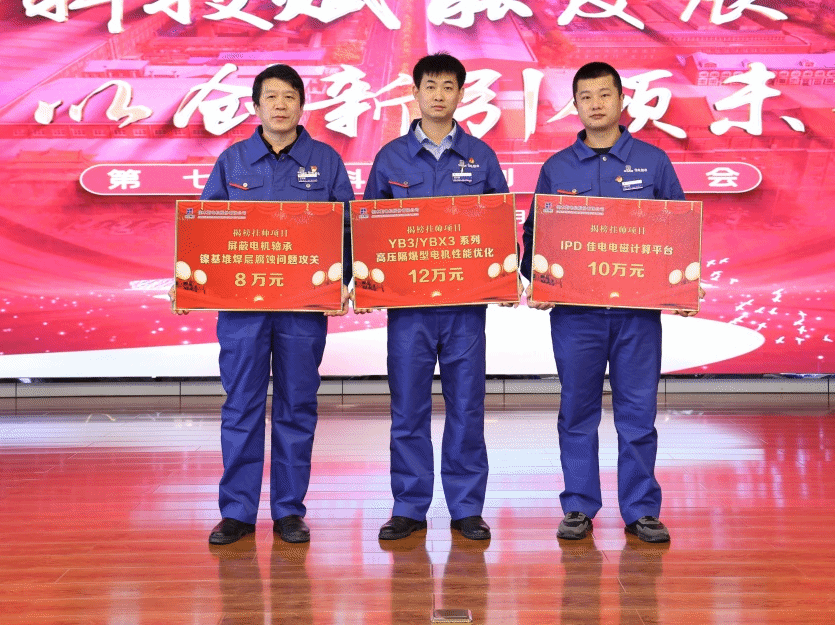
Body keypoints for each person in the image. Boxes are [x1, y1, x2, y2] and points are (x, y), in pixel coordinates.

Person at [177, 63, 354, 546]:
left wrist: (344, 281)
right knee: (242, 406)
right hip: (243, 312)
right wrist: (187, 282)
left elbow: (348, 230)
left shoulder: (326, 161)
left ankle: (289, 511)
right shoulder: (232, 161)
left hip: (303, 309)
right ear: (256, 106)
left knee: (298, 407)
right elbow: (204, 229)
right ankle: (236, 512)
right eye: (271, 97)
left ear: (302, 106)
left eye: (289, 96)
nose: (280, 105)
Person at [521, 61, 695, 544]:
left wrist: (684, 283)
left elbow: (679, 229)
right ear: (574, 106)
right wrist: (539, 281)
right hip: (577, 317)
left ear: (621, 100)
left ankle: (641, 510)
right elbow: (534, 235)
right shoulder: (557, 168)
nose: (595, 105)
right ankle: (578, 505)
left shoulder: (654, 162)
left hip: (637, 315)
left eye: (604, 95)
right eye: (585, 97)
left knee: (637, 413)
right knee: (577, 410)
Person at [363, 52, 509, 542]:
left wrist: (505, 275)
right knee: (408, 408)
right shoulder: (391, 158)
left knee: (466, 407)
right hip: (409, 310)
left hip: (465, 308)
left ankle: (466, 507)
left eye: (449, 87)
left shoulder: (481, 157)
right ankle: (409, 506)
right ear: (415, 93)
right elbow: (369, 229)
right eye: (430, 86)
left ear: (461, 94)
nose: (439, 95)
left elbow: (499, 225)